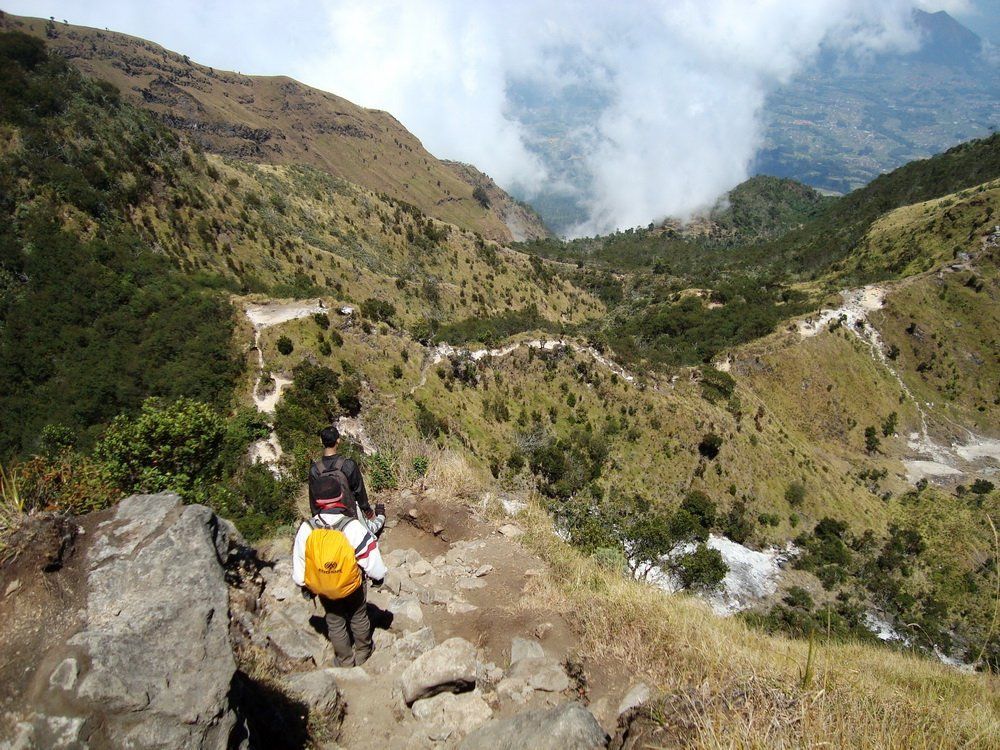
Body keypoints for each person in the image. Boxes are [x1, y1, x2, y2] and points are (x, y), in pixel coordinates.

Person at [291, 471, 387, 666]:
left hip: (324, 585)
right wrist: (378, 576)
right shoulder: (351, 526)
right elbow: (369, 555)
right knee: (359, 616)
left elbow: (301, 560)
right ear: (341, 498)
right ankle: (363, 652)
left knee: (334, 622)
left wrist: (304, 584)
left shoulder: (307, 528)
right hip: (352, 585)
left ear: (317, 501)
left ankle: (344, 660)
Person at [309, 426, 385, 534]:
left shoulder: (314, 470)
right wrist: (367, 510)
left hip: (325, 516)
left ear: (321, 441)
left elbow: (313, 500)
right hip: (349, 512)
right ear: (338, 440)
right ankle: (381, 515)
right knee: (370, 531)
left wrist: (317, 519)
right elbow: (359, 491)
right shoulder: (348, 464)